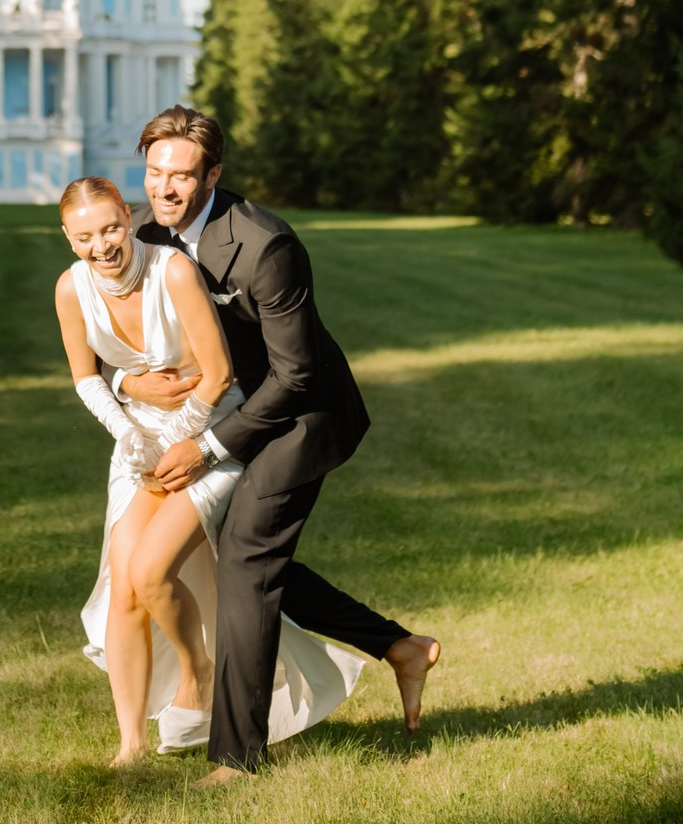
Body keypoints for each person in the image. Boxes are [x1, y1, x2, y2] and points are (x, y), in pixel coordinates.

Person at [115, 105, 440, 786]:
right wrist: (131, 383)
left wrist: (206, 448)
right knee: (241, 557)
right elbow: (127, 330)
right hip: (227, 411)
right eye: (153, 173)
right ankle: (400, 647)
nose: (164, 189)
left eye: (181, 176)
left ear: (214, 174)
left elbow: (295, 377)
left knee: (246, 555)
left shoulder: (267, 245)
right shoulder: (146, 237)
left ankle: (237, 757)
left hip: (302, 417)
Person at [55, 175, 363, 767]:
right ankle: (130, 745)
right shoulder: (71, 288)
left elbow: (220, 375)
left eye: (112, 227)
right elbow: (88, 377)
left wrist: (176, 442)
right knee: (124, 587)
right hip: (138, 440)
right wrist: (129, 435)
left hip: (207, 434)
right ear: (69, 239)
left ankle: (197, 678)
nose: (103, 245)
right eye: (86, 236)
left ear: (128, 215)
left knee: (150, 572)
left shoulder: (171, 270)